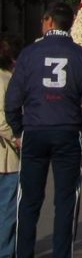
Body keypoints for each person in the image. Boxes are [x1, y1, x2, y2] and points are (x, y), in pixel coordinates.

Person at [4, 0, 82, 258]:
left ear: (48, 21)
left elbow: (12, 99)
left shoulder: (29, 54)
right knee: (66, 200)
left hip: (34, 129)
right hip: (68, 131)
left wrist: (17, 129)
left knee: (29, 201)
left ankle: (23, 253)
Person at [0, 37, 21, 258]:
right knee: (7, 210)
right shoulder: (4, 79)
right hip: (5, 157)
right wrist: (17, 138)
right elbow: (1, 120)